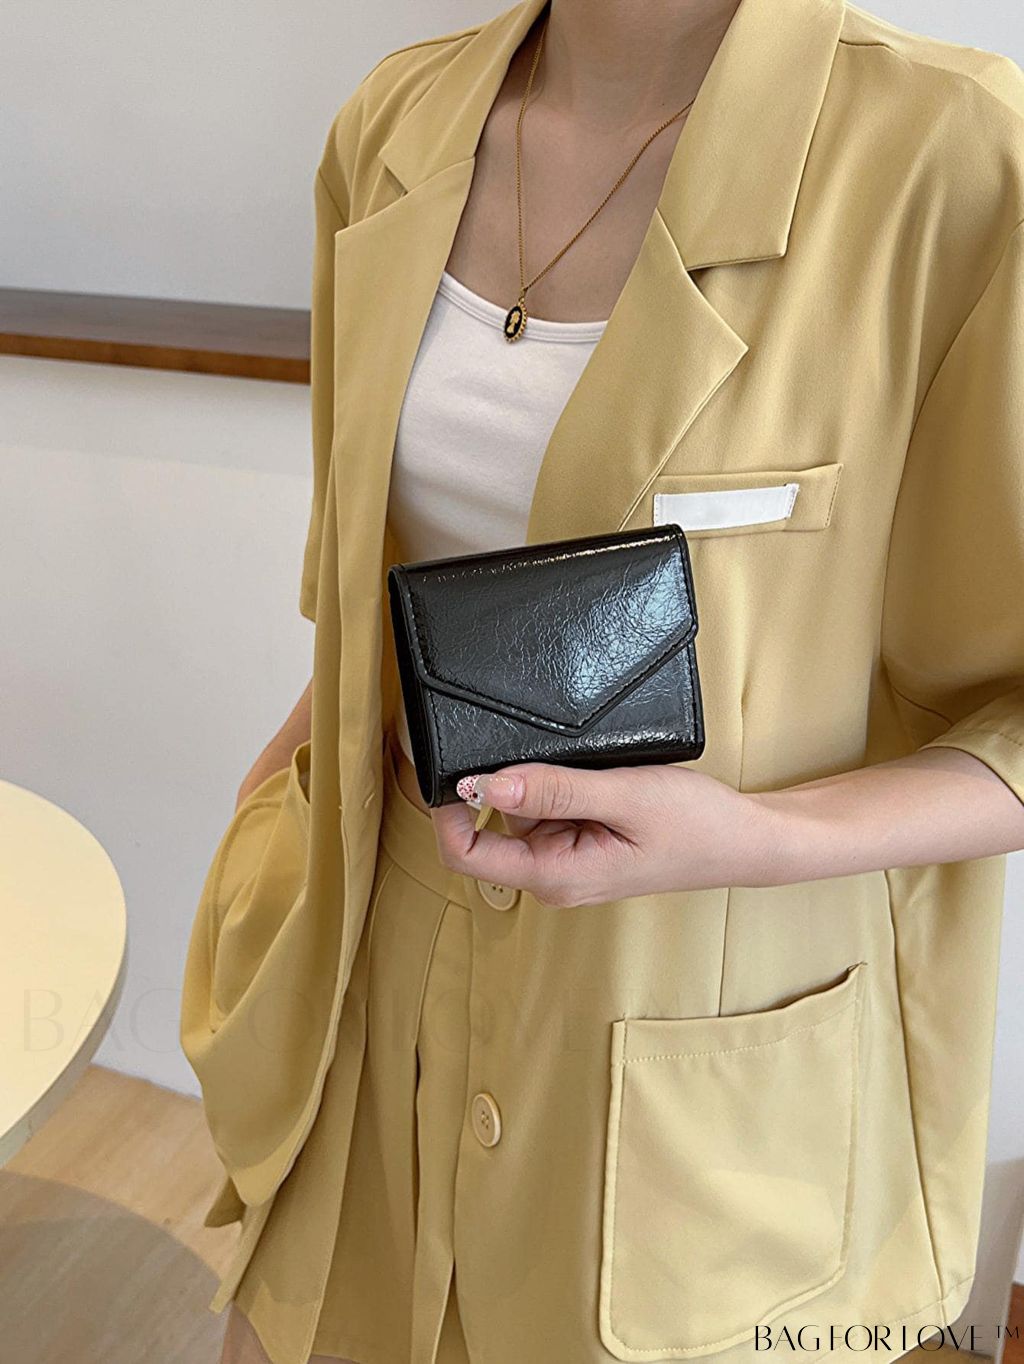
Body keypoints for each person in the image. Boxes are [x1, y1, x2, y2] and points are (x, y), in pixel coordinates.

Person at [179, 0, 1024, 1362]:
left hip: (698, 1053)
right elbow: (373, 579)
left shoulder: (955, 157)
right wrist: (276, 790)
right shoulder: (391, 126)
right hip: (376, 986)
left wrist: (751, 838)